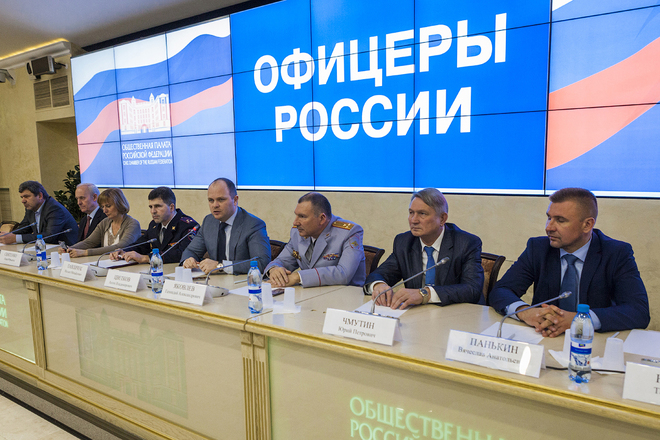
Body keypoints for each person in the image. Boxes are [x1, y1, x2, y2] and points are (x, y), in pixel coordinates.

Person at [488, 187, 650, 336]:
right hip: (543, 337)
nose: (549, 227)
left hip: (593, 342)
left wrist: (580, 320)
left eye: (560, 220)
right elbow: (501, 290)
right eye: (549, 218)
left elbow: (638, 311)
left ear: (587, 225)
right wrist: (525, 312)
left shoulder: (616, 253)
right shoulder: (538, 248)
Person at [364, 188, 484, 309]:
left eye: (422, 214)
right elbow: (378, 275)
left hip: (456, 313)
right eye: (411, 213)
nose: (414, 220)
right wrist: (379, 285)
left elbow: (472, 289)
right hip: (416, 314)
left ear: (442, 218)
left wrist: (425, 294)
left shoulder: (466, 243)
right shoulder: (404, 242)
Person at [264, 192, 365, 288]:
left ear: (322, 219)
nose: (295, 222)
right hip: (310, 293)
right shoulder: (297, 232)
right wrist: (274, 269)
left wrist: (298, 276)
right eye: (296, 215)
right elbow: (282, 260)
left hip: (345, 295)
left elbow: (343, 274)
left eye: (302, 216)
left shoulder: (349, 232)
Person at [181, 178, 270, 275]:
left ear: (235, 200)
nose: (215, 205)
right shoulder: (208, 221)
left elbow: (262, 262)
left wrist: (221, 266)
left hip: (241, 281)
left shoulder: (253, 224)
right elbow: (191, 251)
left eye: (221, 200)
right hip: (213, 281)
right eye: (211, 200)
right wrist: (188, 260)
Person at [110, 187, 198, 264]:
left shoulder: (188, 226)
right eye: (150, 207)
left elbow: (183, 253)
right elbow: (142, 245)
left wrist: (146, 258)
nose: (153, 211)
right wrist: (124, 251)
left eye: (157, 206)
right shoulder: (154, 225)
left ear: (171, 207)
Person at [62, 188, 141, 257]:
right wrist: (69, 248)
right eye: (103, 207)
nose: (104, 211)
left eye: (108, 206)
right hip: (104, 263)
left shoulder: (133, 224)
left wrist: (86, 252)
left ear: (119, 204)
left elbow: (120, 246)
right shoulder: (105, 222)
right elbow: (90, 242)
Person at [0, 181, 78, 245]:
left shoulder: (54, 209)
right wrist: (6, 236)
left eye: (26, 196)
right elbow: (24, 228)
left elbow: (49, 236)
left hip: (65, 250)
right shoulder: (30, 209)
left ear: (40, 196)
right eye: (22, 197)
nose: (23, 201)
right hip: (46, 248)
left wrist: (16, 238)